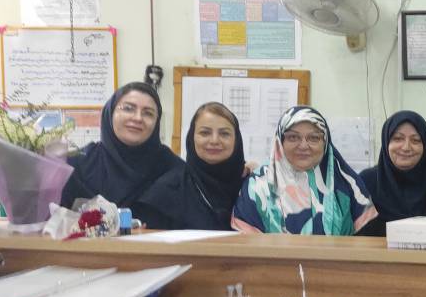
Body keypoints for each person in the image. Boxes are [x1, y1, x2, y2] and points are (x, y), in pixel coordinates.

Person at [232, 106, 377, 235]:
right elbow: (245, 245)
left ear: (325, 142)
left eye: (314, 138)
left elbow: (365, 241)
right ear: (280, 141)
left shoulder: (348, 183)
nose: (303, 146)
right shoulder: (257, 184)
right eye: (293, 137)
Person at [60, 82, 183, 226]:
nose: (138, 118)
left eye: (148, 113)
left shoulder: (175, 171)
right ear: (110, 112)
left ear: (157, 122)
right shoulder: (77, 166)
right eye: (128, 108)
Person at [136, 102, 247, 230]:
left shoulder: (253, 188)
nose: (214, 140)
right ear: (191, 138)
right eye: (205, 133)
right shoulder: (166, 192)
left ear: (236, 140)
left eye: (224, 134)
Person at [358, 111, 426, 236]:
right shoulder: (367, 181)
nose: (406, 147)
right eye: (398, 139)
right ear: (386, 142)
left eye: (415, 140)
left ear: (425, 145)